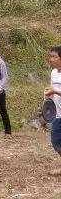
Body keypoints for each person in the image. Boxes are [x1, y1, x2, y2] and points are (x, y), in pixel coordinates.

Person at [46, 46, 61, 177]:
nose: (51, 59)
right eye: (50, 56)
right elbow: (51, 91)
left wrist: (55, 91)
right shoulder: (53, 73)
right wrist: (46, 103)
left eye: (54, 57)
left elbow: (55, 90)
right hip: (58, 114)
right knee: (56, 141)